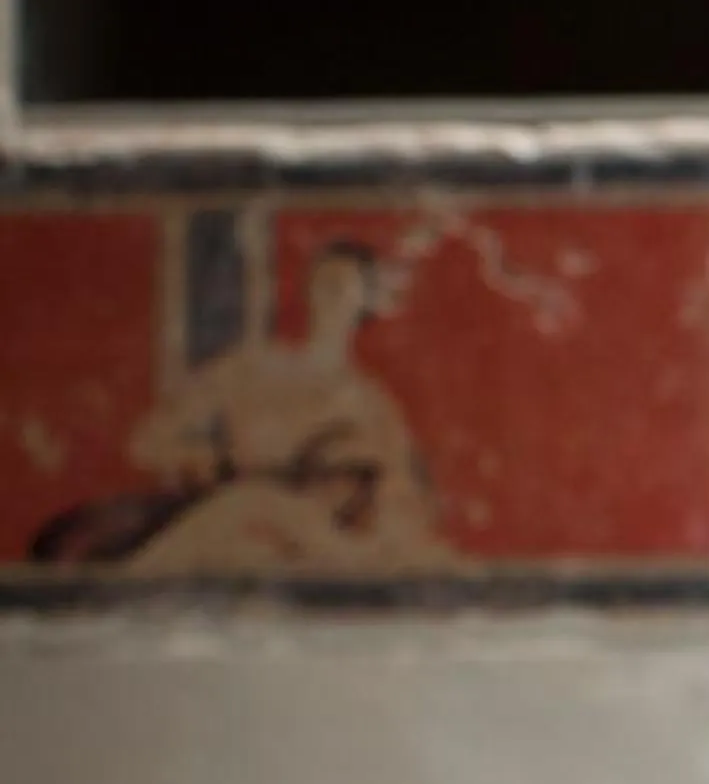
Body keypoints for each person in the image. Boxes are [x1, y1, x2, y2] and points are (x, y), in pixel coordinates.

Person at [86, 241, 450, 572]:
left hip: (319, 552)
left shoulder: (371, 404)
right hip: (240, 525)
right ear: (308, 291)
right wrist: (202, 459)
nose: (332, 294)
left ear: (367, 300)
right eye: (324, 282)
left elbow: (405, 502)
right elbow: (147, 442)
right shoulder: (250, 369)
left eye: (345, 285)